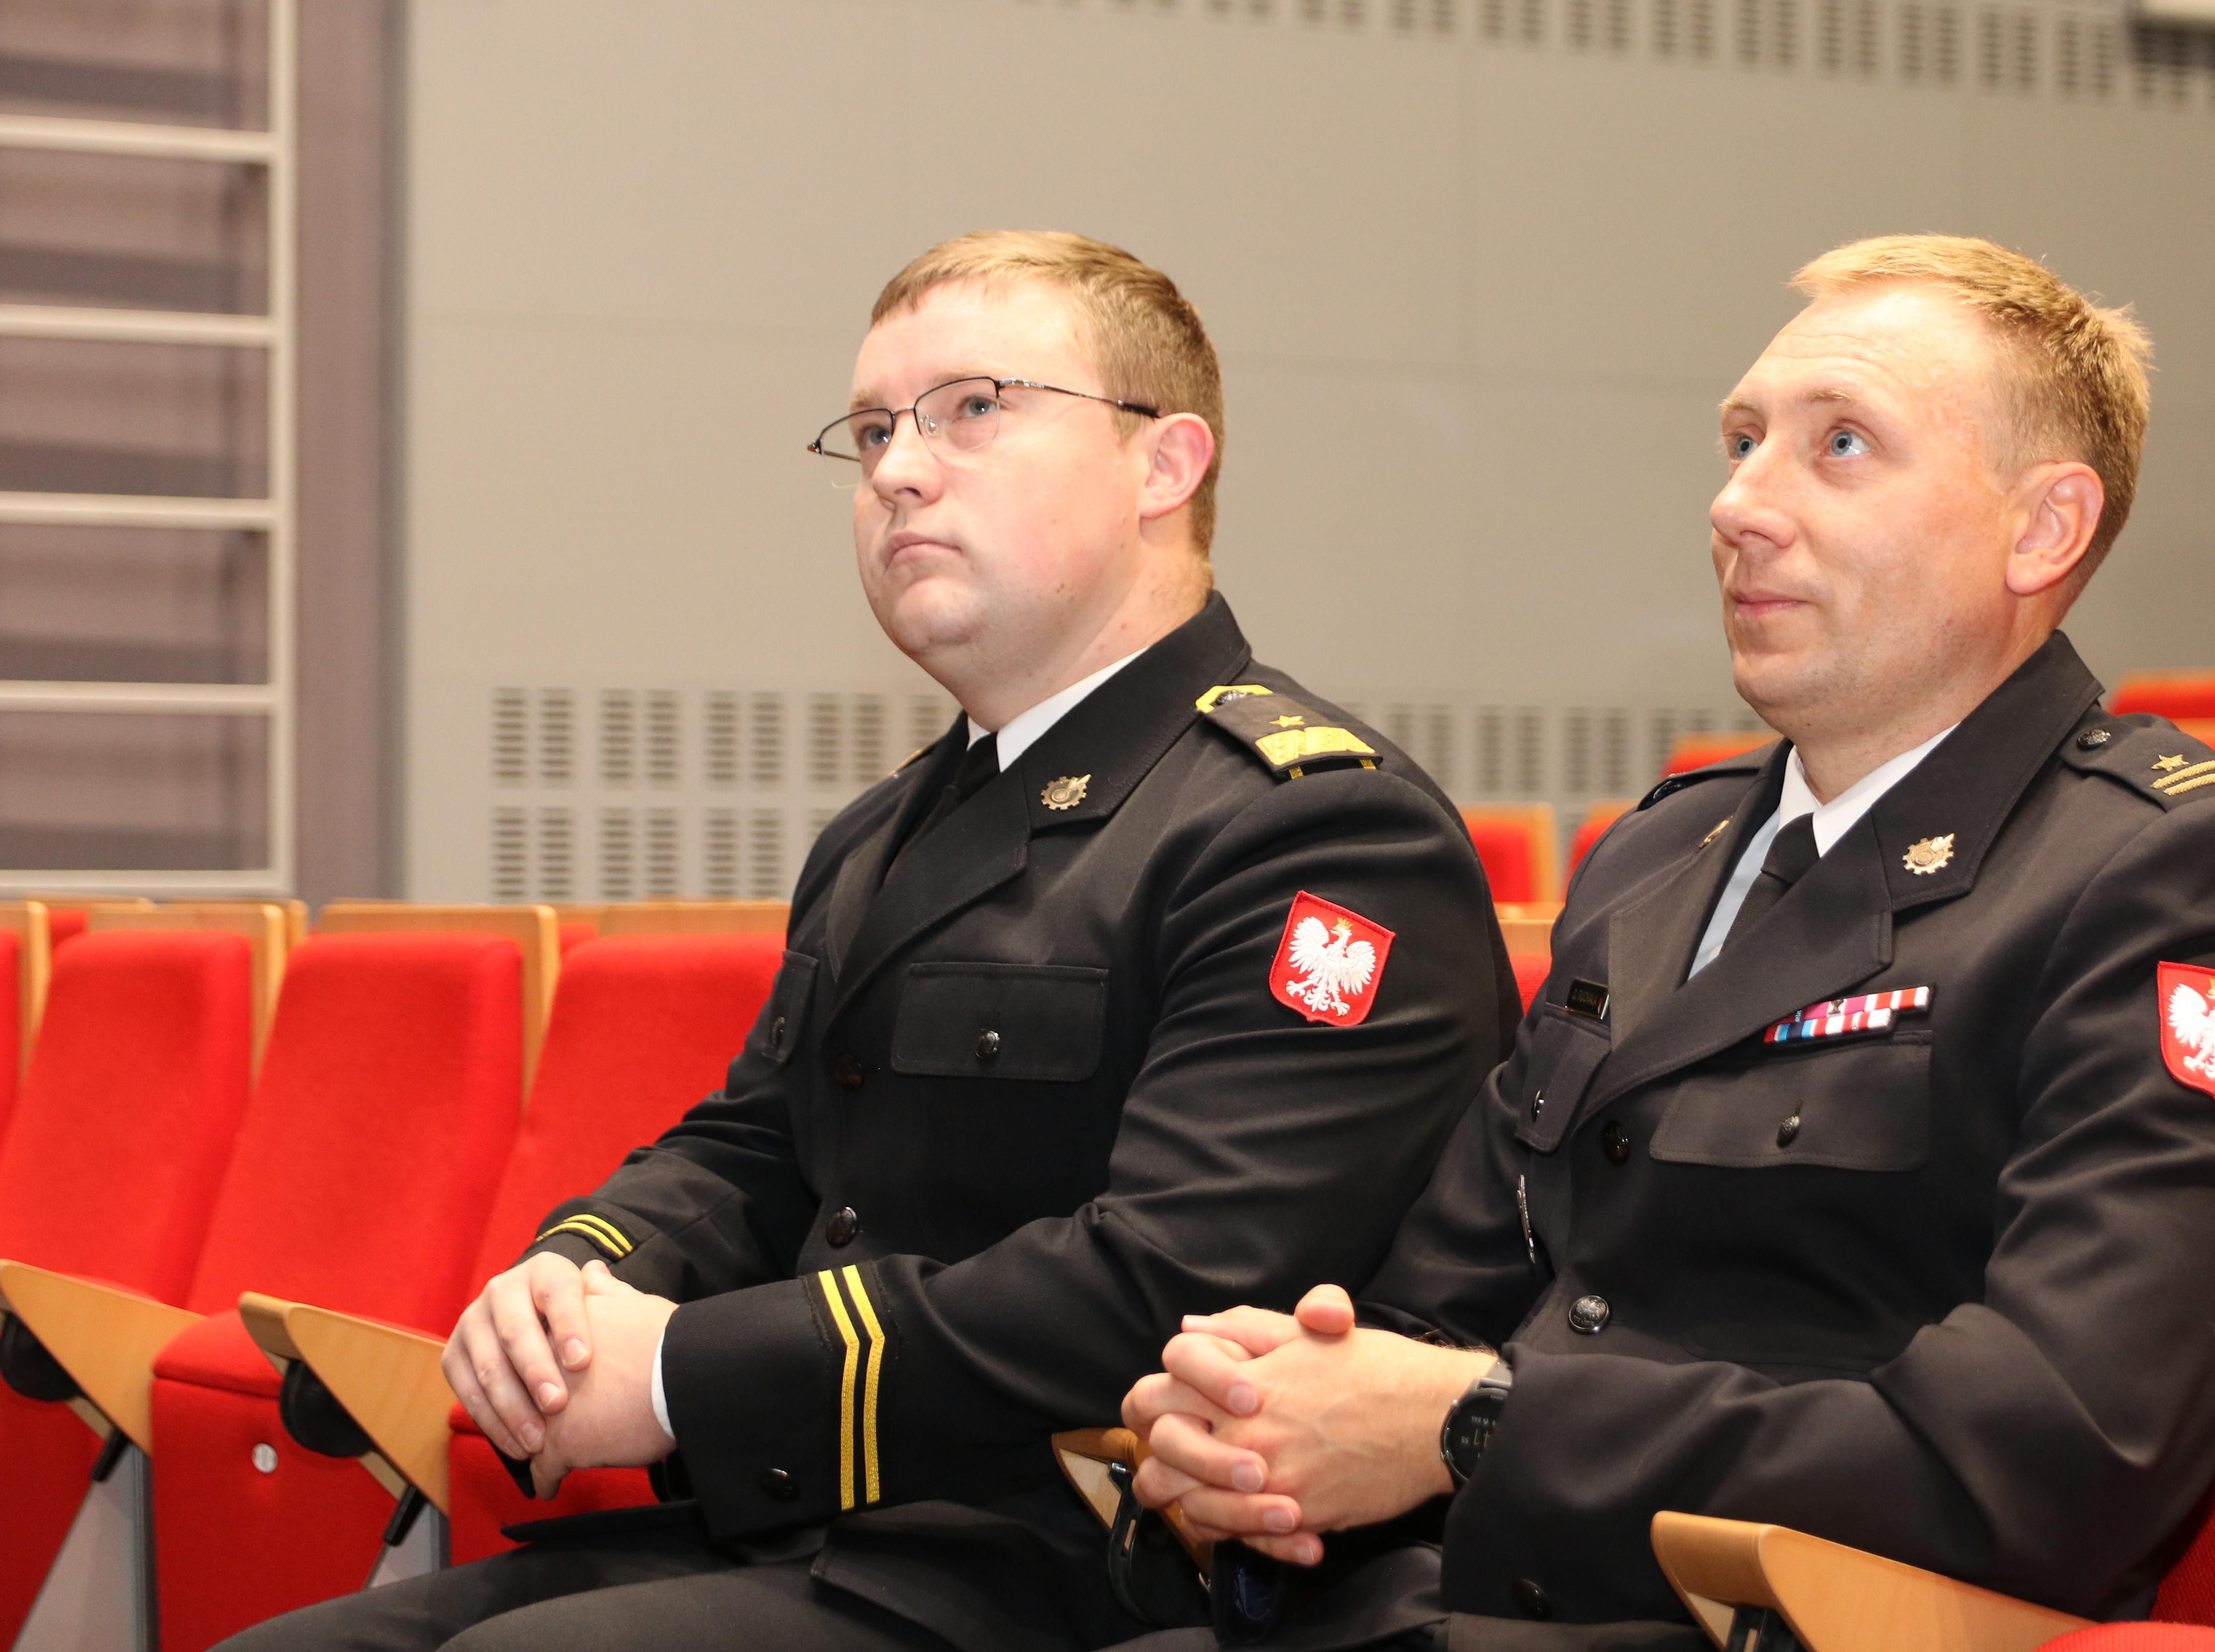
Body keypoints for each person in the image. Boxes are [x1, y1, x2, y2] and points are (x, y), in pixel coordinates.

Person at [232, 233, 1513, 1651]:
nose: (898, 468)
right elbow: (758, 1146)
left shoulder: (1312, 828)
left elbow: (1172, 1281)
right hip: (824, 1529)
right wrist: (583, 1276)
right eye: (870, 431)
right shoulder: (887, 831)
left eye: (973, 408)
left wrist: (679, 1374)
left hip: (1089, 1561)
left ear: (1164, 464)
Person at [1114, 235, 2215, 1646]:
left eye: (1840, 445)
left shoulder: (2156, 873)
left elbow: (2053, 1447)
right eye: (1743, 440)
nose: (1739, 503)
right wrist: (1268, 1421)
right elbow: (1446, 1298)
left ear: (2042, 529)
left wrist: (1478, 1426)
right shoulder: (1657, 857)